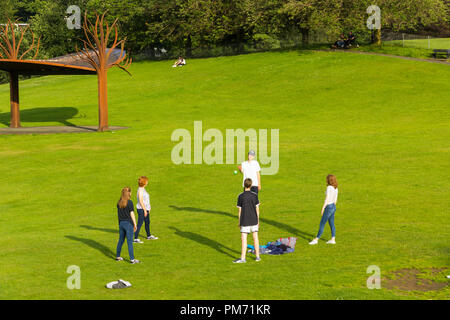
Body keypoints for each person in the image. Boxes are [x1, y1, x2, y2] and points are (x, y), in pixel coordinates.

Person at [234, 178, 261, 263]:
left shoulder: (240, 196)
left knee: (244, 239)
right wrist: (258, 220)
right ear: (251, 185)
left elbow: (239, 211)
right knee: (255, 238)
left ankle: (243, 258)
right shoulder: (254, 195)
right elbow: (257, 209)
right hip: (254, 219)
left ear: (244, 185)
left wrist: (239, 222)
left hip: (245, 220)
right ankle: (257, 257)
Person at [309, 175, 339, 245]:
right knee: (331, 223)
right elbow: (335, 200)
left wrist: (323, 208)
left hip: (328, 207)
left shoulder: (329, 187)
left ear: (329, 180)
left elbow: (327, 198)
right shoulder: (336, 188)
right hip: (333, 206)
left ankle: (316, 239)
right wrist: (333, 207)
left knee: (322, 223)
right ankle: (333, 239)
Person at [116, 187, 140, 263]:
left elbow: (118, 215)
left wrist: (119, 224)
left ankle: (118, 256)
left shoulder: (119, 202)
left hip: (121, 224)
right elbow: (132, 214)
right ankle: (132, 259)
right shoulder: (129, 202)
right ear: (128, 193)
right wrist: (135, 224)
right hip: (128, 224)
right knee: (129, 242)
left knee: (121, 240)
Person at [134, 176, 158, 243]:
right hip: (141, 209)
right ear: (144, 182)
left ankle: (149, 235)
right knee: (140, 223)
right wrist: (145, 210)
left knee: (147, 222)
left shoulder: (143, 189)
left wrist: (148, 208)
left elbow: (146, 200)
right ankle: (135, 238)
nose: (147, 182)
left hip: (145, 209)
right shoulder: (140, 190)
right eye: (146, 181)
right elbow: (141, 201)